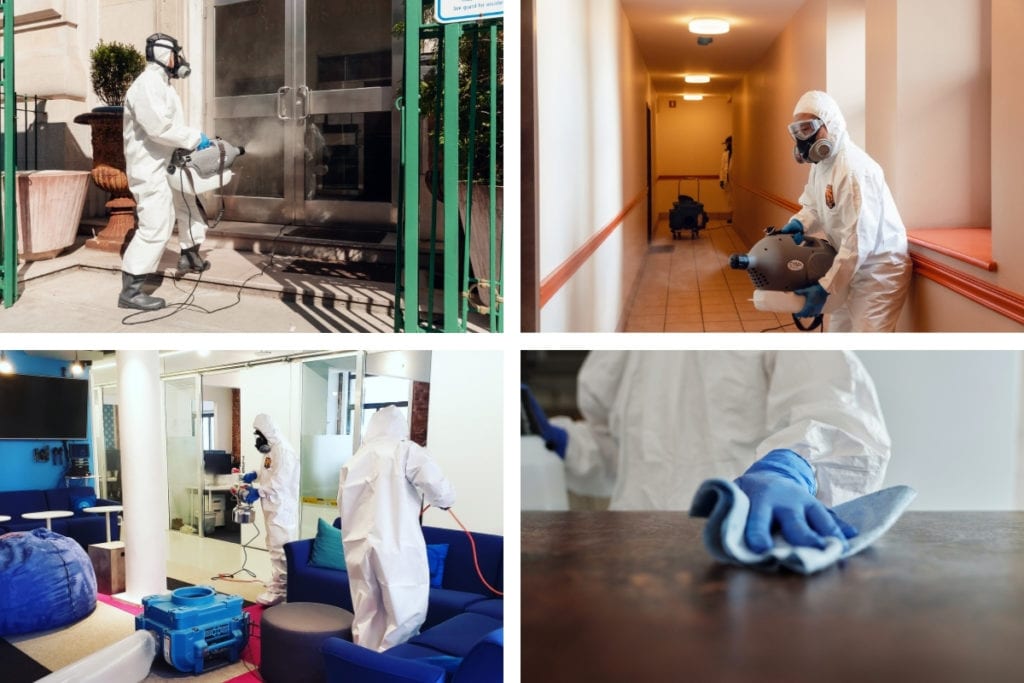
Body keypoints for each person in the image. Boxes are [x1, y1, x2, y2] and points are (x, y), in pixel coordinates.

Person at [522, 350, 891, 552]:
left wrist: (792, 467)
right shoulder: (625, 352)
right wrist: (566, 442)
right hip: (633, 552)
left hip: (741, 545)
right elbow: (618, 456)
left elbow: (839, 413)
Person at [778, 90, 911, 332]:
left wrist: (824, 288)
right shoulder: (821, 165)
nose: (802, 139)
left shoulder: (853, 170)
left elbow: (859, 240)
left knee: (867, 344)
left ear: (830, 125)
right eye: (798, 131)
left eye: (808, 129)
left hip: (877, 272)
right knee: (838, 337)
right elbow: (813, 205)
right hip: (850, 266)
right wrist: (799, 223)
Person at [337, 406, 455, 652]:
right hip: (396, 544)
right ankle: (393, 663)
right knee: (404, 606)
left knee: (367, 605)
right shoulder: (405, 450)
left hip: (358, 544)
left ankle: (364, 660)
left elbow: (342, 503)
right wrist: (445, 501)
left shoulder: (355, 459)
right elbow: (439, 488)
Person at [119, 33, 213, 311]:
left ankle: (190, 255)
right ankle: (131, 290)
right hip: (149, 167)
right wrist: (195, 138)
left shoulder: (164, 85)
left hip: (167, 161)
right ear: (164, 54)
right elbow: (158, 128)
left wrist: (187, 146)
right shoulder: (147, 84)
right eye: (175, 53)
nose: (179, 59)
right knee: (156, 224)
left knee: (188, 206)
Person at [241, 413, 299, 606]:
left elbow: (279, 483)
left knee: (280, 547)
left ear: (268, 432)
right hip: (272, 506)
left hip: (282, 508)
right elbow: (268, 471)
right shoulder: (271, 451)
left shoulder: (284, 451)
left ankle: (281, 589)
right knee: (273, 544)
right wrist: (254, 475)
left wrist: (258, 491)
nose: (258, 439)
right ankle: (279, 580)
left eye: (260, 434)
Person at [719, 135, 733, 224]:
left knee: (735, 199)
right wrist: (721, 179)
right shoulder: (725, 154)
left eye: (728, 143)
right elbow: (722, 167)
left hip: (734, 179)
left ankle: (735, 217)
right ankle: (731, 216)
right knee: (729, 199)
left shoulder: (736, 154)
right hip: (726, 179)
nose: (727, 145)